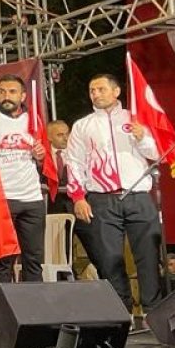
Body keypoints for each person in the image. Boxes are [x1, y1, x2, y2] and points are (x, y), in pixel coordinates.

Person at [64, 73, 162, 313]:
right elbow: (74, 163)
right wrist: (78, 197)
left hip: (138, 194)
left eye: (100, 89)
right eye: (92, 90)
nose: (95, 94)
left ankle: (153, 310)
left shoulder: (136, 118)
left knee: (148, 255)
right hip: (101, 198)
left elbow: (157, 152)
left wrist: (141, 137)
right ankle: (122, 310)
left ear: (116, 91)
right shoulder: (83, 125)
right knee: (109, 258)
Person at [0, 75, 47, 285]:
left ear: (22, 95)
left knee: (34, 259)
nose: (6, 96)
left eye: (12, 92)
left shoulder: (33, 121)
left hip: (32, 198)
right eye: (2, 91)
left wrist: (40, 156)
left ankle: (34, 312)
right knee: (3, 261)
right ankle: (4, 312)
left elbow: (43, 161)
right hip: (1, 199)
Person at [47, 119, 100, 279]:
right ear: (49, 137)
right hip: (54, 209)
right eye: (60, 135)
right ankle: (65, 283)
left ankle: (106, 277)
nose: (66, 138)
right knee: (61, 251)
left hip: (79, 206)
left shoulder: (77, 152)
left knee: (95, 246)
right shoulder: (42, 156)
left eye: (67, 133)